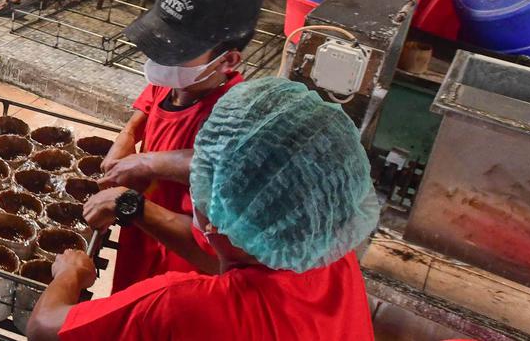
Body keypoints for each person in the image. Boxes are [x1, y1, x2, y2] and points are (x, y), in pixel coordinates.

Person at [27, 77, 380, 341]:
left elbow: (45, 328)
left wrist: (70, 272)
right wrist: (134, 203)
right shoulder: (324, 251)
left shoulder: (186, 305)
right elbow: (225, 256)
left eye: (202, 177)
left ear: (216, 217)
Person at [82, 0, 260, 291]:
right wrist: (129, 134)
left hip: (180, 271)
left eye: (176, 52)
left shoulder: (232, 122)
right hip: (143, 242)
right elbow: (148, 107)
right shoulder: (179, 82)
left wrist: (132, 199)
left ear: (229, 60)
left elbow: (213, 253)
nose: (161, 61)